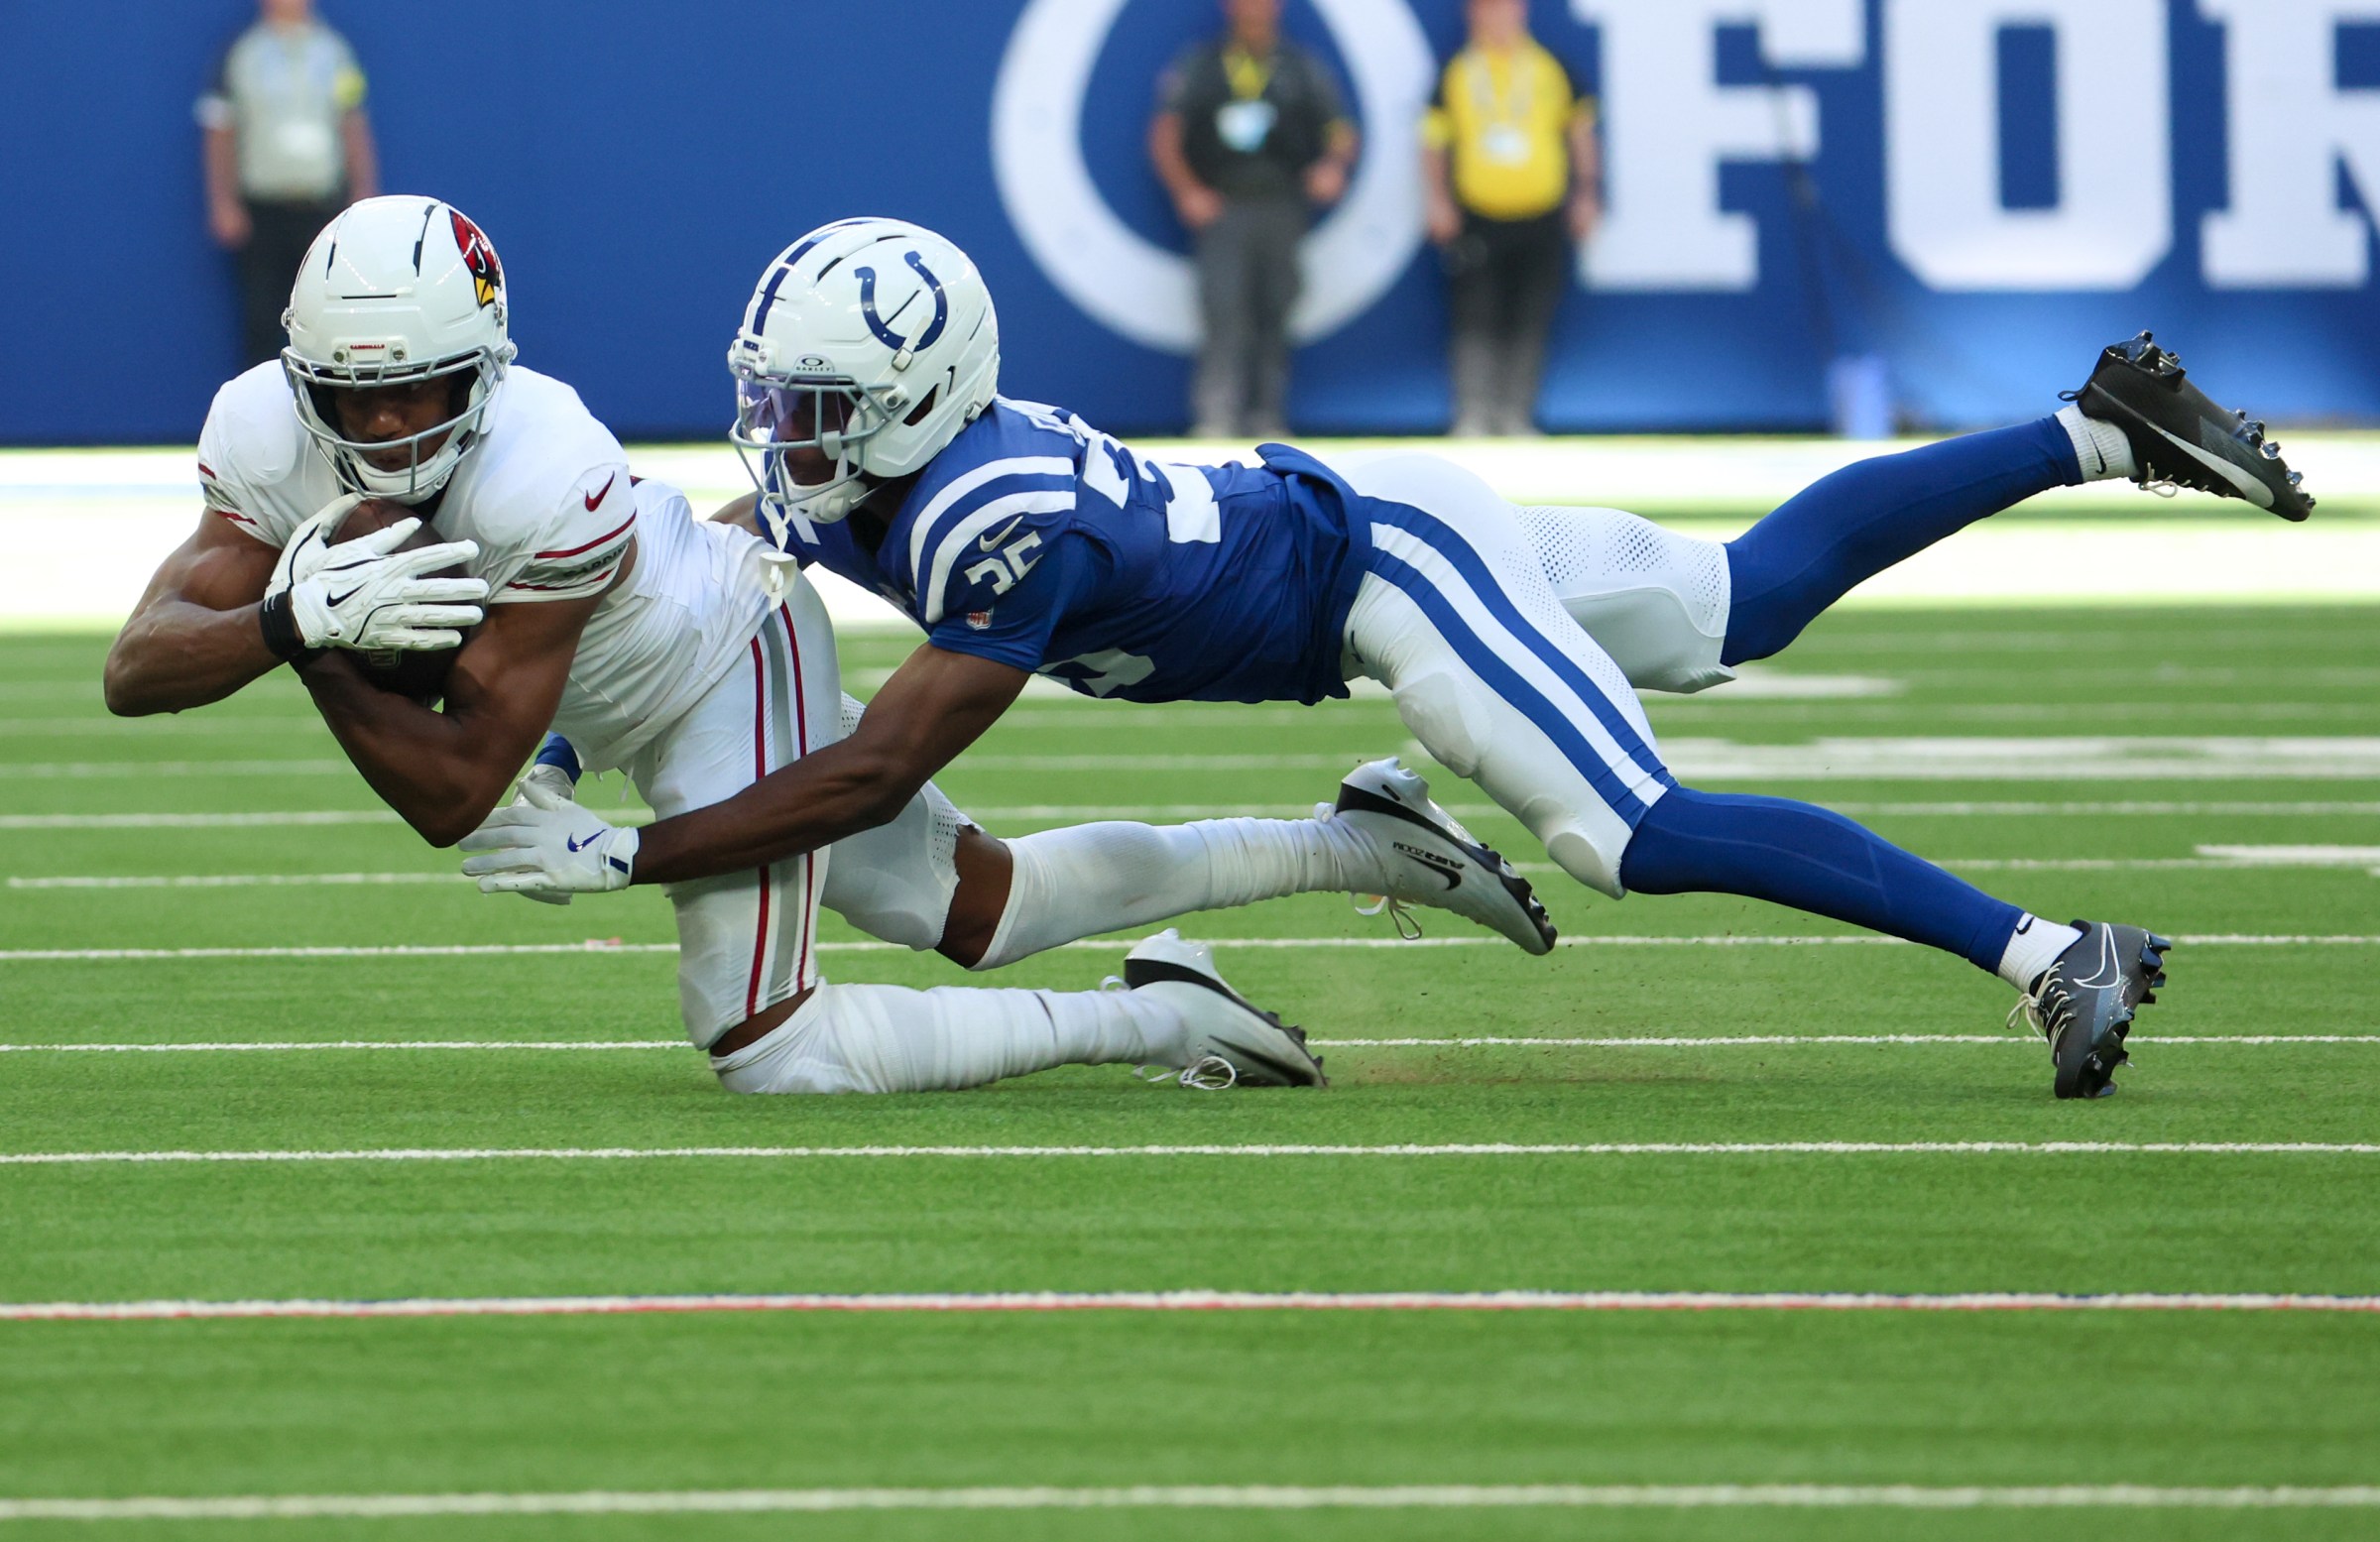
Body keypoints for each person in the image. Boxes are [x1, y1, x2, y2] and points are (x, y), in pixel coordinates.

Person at [466, 217, 2321, 1101]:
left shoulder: (983, 516)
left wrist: (634, 848)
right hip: (1365, 531)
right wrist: (558, 730)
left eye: (815, 408)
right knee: (1739, 601)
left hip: (1386, 579)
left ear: (920, 399)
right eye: (778, 398)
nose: (779, 437)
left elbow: (871, 772)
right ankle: (2094, 429)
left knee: (1631, 831)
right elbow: (693, 567)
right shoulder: (891, 465)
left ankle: (2047, 947)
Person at [105, 196, 1564, 1098]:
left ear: (483, 371)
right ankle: (1358, 842)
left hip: (723, 655)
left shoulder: (546, 466)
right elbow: (139, 664)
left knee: (772, 1053)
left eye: (414, 391)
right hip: (627, 690)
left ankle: (1152, 1017)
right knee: (980, 905)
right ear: (298, 379)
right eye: (347, 399)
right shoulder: (257, 428)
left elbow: (450, 794)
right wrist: (289, 614)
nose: (380, 431)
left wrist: (331, 653)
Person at [1150, 0, 1359, 438]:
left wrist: (1331, 167)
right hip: (1225, 205)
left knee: (1276, 307)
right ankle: (1217, 415)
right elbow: (1166, 134)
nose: (1254, 10)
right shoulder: (1202, 64)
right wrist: (1188, 191)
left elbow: (1339, 132)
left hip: (1282, 206)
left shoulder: (1301, 66)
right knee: (1223, 309)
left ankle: (1268, 414)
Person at [1421, 0, 1599, 436]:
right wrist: (1438, 200)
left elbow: (1580, 135)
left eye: (1502, 9)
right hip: (1479, 217)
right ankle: (1474, 413)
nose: (1493, 19)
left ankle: (1517, 413)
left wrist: (1587, 194)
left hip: (1541, 214)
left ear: (1520, 12)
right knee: (1474, 316)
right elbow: (1434, 142)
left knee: (1531, 316)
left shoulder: (1550, 67)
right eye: (1484, 10)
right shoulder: (1458, 71)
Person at [198, 0, 379, 370]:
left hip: (322, 210)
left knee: (327, 322)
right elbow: (219, 130)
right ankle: (261, 420)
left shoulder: (334, 52)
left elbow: (352, 121)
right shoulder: (241, 52)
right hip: (262, 211)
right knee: (262, 320)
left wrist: (363, 194)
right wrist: (222, 203)